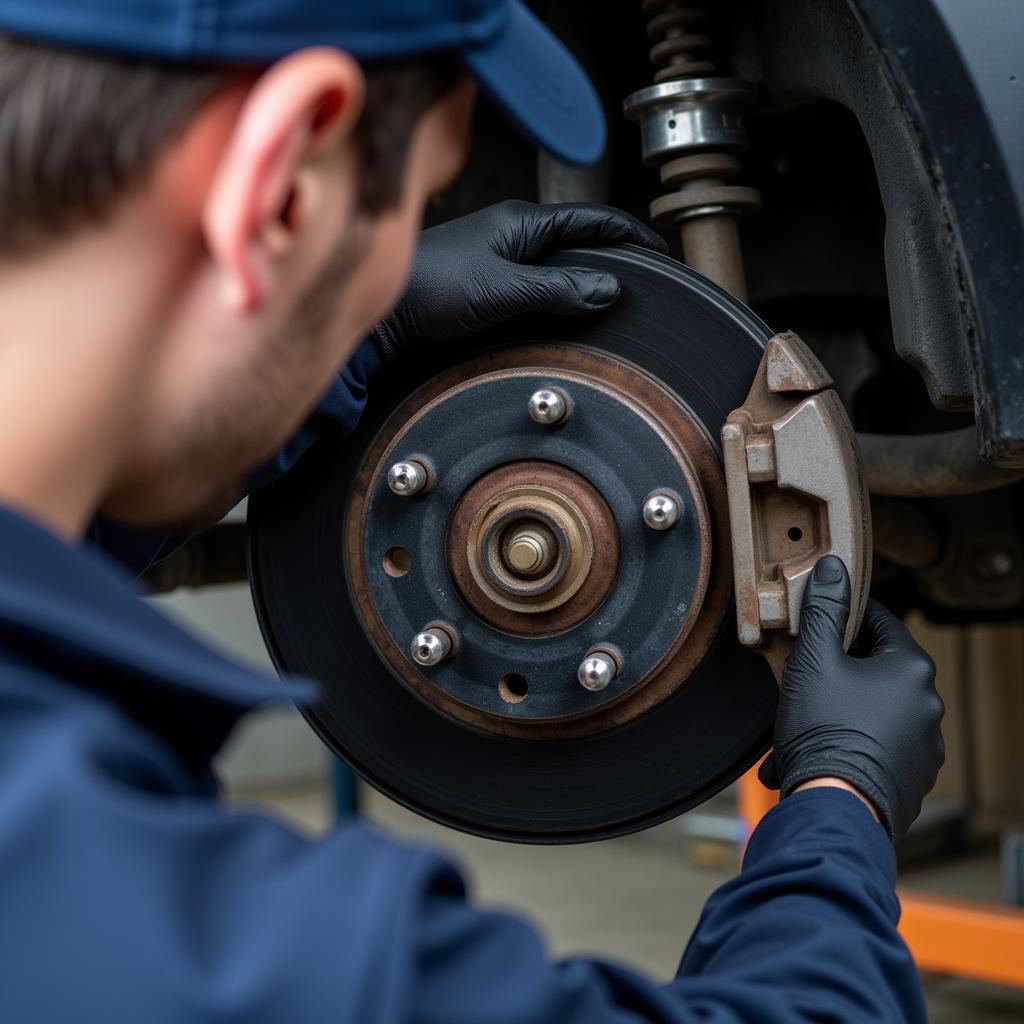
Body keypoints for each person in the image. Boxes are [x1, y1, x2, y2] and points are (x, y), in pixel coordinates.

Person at [0, 1, 945, 1021]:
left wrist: (353, 336)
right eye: (414, 203)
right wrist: (838, 808)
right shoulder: (155, 926)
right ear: (276, 189)